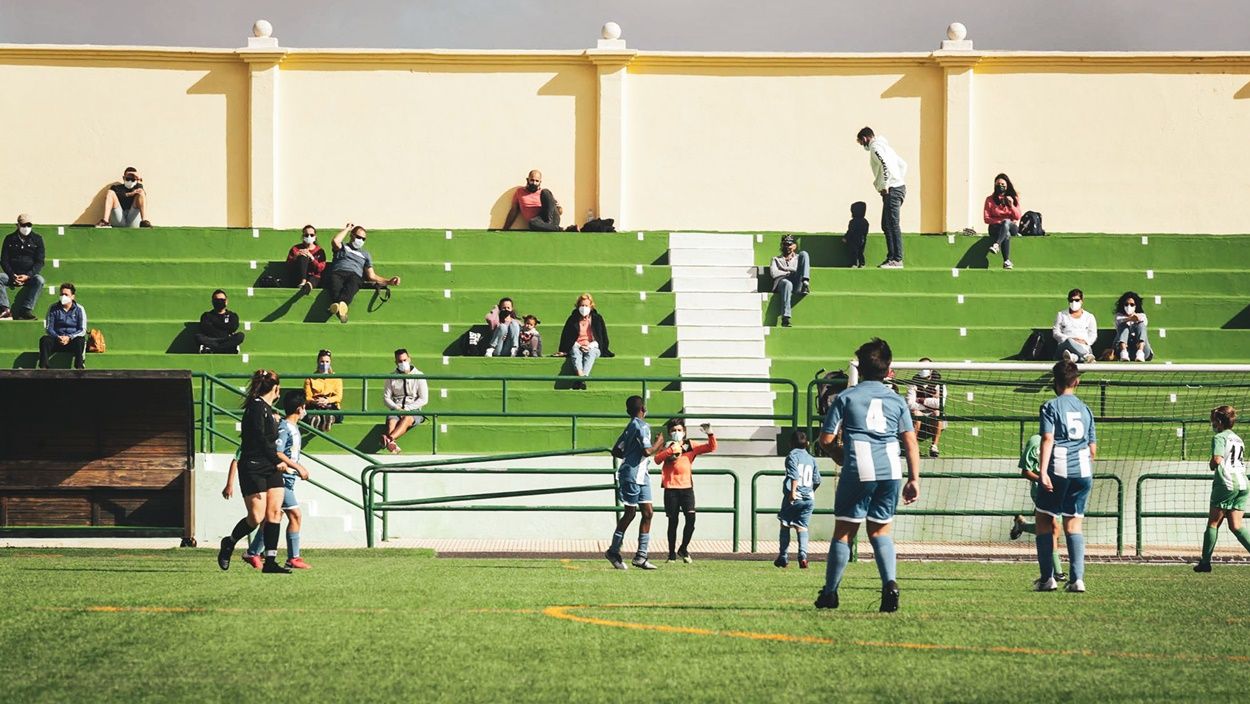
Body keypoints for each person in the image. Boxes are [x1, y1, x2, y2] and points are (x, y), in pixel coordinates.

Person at [816, 338, 921, 612]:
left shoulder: (847, 397)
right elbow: (910, 441)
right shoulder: (897, 401)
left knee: (844, 533)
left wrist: (839, 456)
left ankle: (830, 593)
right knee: (881, 530)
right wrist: (914, 478)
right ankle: (890, 584)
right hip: (890, 470)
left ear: (859, 369)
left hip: (858, 467)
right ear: (888, 371)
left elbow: (825, 439)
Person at [216, 369, 292, 574]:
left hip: (270, 466)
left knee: (275, 512)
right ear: (276, 388)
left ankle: (270, 562)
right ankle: (229, 542)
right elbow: (259, 438)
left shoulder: (268, 409)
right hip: (253, 466)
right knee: (256, 517)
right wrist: (276, 460)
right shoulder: (256, 407)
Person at [1035, 360, 1097, 593]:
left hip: (1058, 469)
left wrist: (1042, 472)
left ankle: (1047, 578)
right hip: (1083, 471)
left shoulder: (1050, 406)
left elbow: (1048, 439)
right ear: (1076, 381)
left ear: (1055, 382)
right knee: (1074, 523)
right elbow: (1092, 449)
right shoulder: (1086, 409)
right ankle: (1077, 579)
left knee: (1043, 520)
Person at [242, 390, 312, 570]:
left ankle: (253, 552)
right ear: (299, 408)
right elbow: (278, 452)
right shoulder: (284, 427)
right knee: (294, 514)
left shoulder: (293, 427)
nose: (305, 411)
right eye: (304, 407)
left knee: (273, 517)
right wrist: (298, 467)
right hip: (280, 478)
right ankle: (293, 558)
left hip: (288, 480)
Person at [605, 395, 665, 570]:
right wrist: (659, 442)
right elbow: (647, 451)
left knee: (648, 513)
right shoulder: (642, 426)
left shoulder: (630, 426)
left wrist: (632, 454)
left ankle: (641, 556)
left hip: (641, 474)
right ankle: (613, 551)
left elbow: (616, 450)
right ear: (643, 409)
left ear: (627, 411)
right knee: (630, 513)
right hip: (632, 475)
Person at [1194, 406, 1250, 572]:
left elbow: (1217, 459)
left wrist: (1212, 464)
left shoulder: (1219, 437)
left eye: (1213, 420)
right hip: (1243, 483)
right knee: (1236, 526)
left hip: (1226, 483)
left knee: (1213, 523)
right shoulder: (1238, 439)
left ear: (1219, 422)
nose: (1211, 423)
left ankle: (1205, 563)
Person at [653, 419, 717, 564]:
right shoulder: (667, 446)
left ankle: (683, 548)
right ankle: (671, 555)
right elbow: (657, 459)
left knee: (691, 519)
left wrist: (710, 434)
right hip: (671, 489)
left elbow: (711, 448)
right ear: (669, 433)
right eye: (674, 430)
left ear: (684, 432)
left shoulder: (689, 445)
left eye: (679, 430)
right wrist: (671, 450)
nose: (677, 433)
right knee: (673, 522)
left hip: (687, 488)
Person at [1008, 433, 1067, 584]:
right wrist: (1042, 480)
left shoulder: (1064, 440)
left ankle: (1022, 525)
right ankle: (1057, 573)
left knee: (1052, 529)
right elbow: (1025, 471)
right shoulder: (1035, 441)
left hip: (1060, 489)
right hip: (1042, 490)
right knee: (1053, 528)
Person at [324, 223, 401, 324]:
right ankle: (341, 309)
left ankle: (336, 306)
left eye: (363, 239)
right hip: (338, 272)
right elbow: (335, 241)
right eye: (358, 237)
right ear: (352, 235)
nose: (360, 240)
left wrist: (389, 282)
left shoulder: (365, 255)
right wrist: (347, 229)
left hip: (354, 275)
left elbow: (371, 276)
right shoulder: (343, 247)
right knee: (334, 283)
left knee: (354, 281)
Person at [856, 127, 908, 269]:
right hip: (898, 187)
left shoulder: (875, 148)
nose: (862, 145)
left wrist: (886, 184)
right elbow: (903, 165)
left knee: (892, 224)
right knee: (886, 224)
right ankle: (891, 257)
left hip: (892, 189)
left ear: (865, 138)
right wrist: (898, 180)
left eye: (861, 142)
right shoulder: (887, 147)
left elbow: (884, 164)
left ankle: (897, 259)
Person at [775, 430, 821, 569]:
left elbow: (794, 475)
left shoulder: (792, 456)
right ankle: (803, 556)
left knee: (785, 524)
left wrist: (793, 492)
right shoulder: (811, 459)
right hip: (809, 499)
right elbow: (817, 480)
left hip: (795, 497)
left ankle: (783, 556)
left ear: (791, 443)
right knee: (802, 527)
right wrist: (810, 492)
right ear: (807, 444)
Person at [556, 293, 612, 389]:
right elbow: (567, 337)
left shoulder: (597, 319)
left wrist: (589, 346)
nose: (584, 307)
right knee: (574, 351)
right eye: (582, 305)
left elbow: (601, 338)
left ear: (591, 306)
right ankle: (582, 377)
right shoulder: (572, 319)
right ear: (578, 306)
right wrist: (578, 345)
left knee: (592, 353)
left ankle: (580, 378)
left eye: (586, 305)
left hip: (592, 346)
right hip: (577, 345)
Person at [381, 348, 428, 454]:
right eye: (400, 361)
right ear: (396, 362)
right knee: (391, 420)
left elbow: (424, 399)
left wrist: (407, 409)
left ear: (409, 359)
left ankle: (388, 439)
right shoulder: (391, 377)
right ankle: (392, 443)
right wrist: (397, 408)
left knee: (407, 418)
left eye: (405, 360)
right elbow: (386, 398)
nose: (403, 363)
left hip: (414, 409)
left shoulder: (419, 375)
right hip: (396, 408)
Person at [0, 214, 45, 320]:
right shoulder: (9, 239)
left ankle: (25, 310)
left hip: (29, 276)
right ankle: (5, 309)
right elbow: (4, 260)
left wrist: (28, 275)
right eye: (24, 225)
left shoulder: (37, 239)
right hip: (12, 275)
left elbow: (39, 262)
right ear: (18, 225)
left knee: (40, 280)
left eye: (29, 225)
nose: (26, 227)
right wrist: (12, 275)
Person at [38, 282, 87, 369]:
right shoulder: (53, 308)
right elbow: (49, 328)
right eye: (61, 294)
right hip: (57, 340)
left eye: (66, 294)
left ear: (72, 296)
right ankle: (43, 367)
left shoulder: (79, 309)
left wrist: (69, 337)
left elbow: (82, 329)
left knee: (81, 340)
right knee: (44, 340)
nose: (63, 296)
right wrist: (58, 337)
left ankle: (79, 368)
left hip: (72, 341)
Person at [906, 359, 947, 458]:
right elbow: (910, 404)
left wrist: (920, 400)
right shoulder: (913, 383)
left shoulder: (939, 383)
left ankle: (934, 446)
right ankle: (914, 447)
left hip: (932, 412)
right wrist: (930, 402)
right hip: (919, 412)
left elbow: (940, 404)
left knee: (938, 413)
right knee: (916, 414)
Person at [769, 234, 810, 327]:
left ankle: (805, 283)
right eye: (785, 244)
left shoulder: (798, 258)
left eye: (789, 244)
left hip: (797, 282)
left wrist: (785, 269)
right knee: (787, 283)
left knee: (804, 254)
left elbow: (798, 270)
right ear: (781, 245)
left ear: (794, 246)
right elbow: (774, 273)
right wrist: (789, 272)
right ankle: (785, 318)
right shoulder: (775, 259)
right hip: (782, 282)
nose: (787, 247)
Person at [983, 173, 1021, 270]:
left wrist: (1011, 205)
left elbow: (1017, 216)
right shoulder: (990, 199)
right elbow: (986, 218)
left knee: (1007, 223)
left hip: (1012, 226)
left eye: (1003, 184)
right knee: (1006, 233)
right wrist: (1000, 221)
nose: (1001, 186)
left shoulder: (1013, 198)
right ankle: (1006, 261)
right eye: (998, 184)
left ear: (1007, 185)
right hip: (995, 228)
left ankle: (996, 244)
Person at [1052, 288, 1097, 364]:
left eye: (1077, 300)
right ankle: (1086, 356)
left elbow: (1093, 334)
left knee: (1072, 356)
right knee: (1069, 341)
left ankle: (1073, 358)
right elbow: (1056, 332)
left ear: (1082, 300)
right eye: (1071, 300)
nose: (1074, 302)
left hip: (1084, 346)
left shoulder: (1089, 316)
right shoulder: (1061, 314)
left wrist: (1085, 342)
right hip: (1065, 346)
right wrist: (1071, 340)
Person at [304, 349, 344, 433]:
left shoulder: (336, 378)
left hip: (330, 405)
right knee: (310, 413)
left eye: (327, 362)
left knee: (336, 414)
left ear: (330, 363)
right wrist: (316, 401)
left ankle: (329, 418)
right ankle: (316, 420)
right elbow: (308, 396)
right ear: (318, 362)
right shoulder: (310, 378)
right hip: (315, 405)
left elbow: (338, 397)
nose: (324, 364)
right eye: (322, 361)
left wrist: (327, 400)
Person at [197, 289, 244, 354]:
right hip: (212, 339)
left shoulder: (232, 315)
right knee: (198, 337)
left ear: (226, 301)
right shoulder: (206, 315)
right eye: (217, 300)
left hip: (226, 339)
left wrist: (214, 323)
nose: (219, 302)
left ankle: (213, 349)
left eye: (222, 300)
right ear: (213, 302)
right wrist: (226, 327)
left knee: (240, 336)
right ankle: (227, 349)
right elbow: (207, 329)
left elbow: (233, 327)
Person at [286, 224, 327, 293]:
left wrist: (312, 258)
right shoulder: (296, 248)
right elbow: (288, 265)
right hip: (298, 276)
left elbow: (320, 268)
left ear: (315, 236)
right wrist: (296, 256)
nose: (309, 237)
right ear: (303, 236)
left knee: (314, 279)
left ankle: (307, 286)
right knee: (303, 255)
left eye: (311, 235)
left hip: (314, 276)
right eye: (306, 235)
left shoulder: (320, 251)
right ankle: (303, 281)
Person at [1113, 291, 1151, 362]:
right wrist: (1129, 319)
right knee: (1123, 325)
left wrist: (1136, 319)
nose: (1129, 306)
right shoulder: (1118, 316)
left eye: (1132, 304)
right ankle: (1124, 352)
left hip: (1141, 349)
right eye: (1126, 304)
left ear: (1136, 306)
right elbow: (1118, 321)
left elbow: (1143, 324)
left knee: (1141, 325)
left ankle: (1140, 352)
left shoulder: (1142, 316)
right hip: (1122, 351)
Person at [842, 201, 869, 269]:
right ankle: (862, 263)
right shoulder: (865, 222)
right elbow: (866, 231)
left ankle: (854, 263)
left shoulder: (853, 222)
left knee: (854, 252)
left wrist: (846, 238)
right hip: (862, 239)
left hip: (854, 240)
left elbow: (850, 231)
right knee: (860, 252)